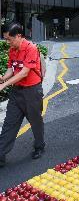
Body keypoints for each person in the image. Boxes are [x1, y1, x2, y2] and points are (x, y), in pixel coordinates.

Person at [0, 22, 45, 168]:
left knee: (35, 121)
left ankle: (39, 146)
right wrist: (3, 78)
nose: (8, 42)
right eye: (5, 39)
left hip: (32, 91)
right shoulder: (13, 49)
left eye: (9, 39)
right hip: (17, 92)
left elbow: (25, 72)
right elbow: (11, 69)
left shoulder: (31, 48)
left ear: (19, 36)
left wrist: (4, 85)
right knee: (9, 123)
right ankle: (1, 153)